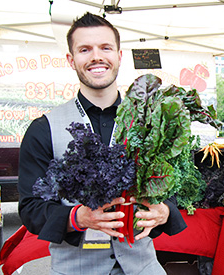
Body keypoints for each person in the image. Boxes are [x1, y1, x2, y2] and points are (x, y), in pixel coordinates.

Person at [18, 12, 187, 275]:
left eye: (105, 48)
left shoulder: (151, 122)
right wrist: (78, 217)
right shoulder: (44, 129)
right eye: (85, 49)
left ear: (119, 56)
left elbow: (173, 188)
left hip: (143, 267)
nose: (96, 56)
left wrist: (165, 211)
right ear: (71, 60)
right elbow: (31, 208)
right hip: (75, 269)